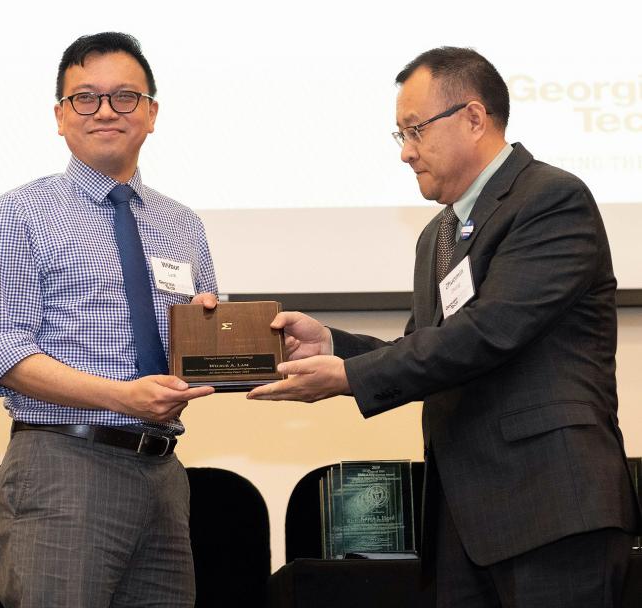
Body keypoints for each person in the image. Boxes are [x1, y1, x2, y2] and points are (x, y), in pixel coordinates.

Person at [248, 47, 642, 607]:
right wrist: (334, 345)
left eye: (415, 130)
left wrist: (347, 375)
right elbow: (423, 350)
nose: (406, 152)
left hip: (551, 508)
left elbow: (488, 332)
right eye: (399, 136)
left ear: (474, 118)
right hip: (464, 524)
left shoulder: (551, 199)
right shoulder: (438, 234)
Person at [0, 32, 217, 608]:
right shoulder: (20, 214)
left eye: (125, 97)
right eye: (85, 98)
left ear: (152, 113)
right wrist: (123, 397)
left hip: (163, 474)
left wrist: (227, 341)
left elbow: (205, 346)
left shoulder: (183, 225)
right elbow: (4, 354)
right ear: (60, 116)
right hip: (62, 468)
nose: (106, 110)